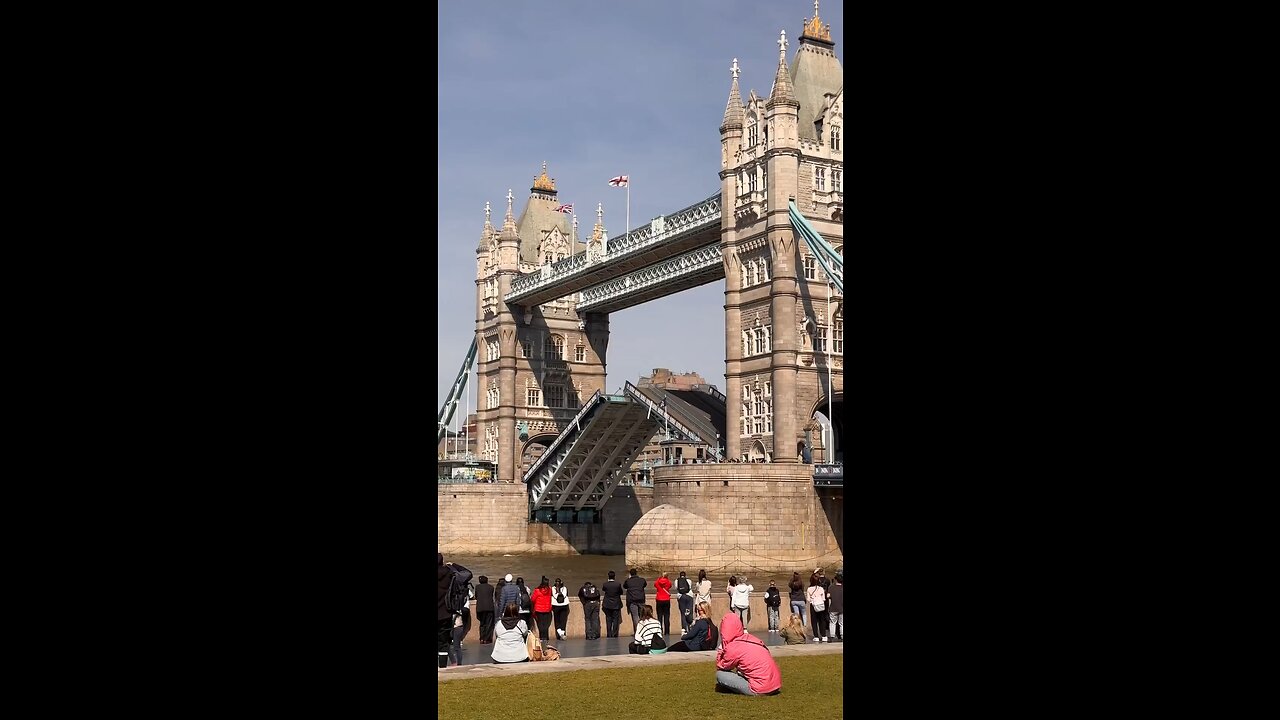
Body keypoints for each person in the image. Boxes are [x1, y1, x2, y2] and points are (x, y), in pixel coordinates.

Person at [714, 612, 782, 695]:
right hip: (775, 685)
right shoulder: (751, 638)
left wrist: (721, 650)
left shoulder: (733, 647)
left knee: (720, 675)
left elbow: (722, 666)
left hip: (760, 689)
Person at [437, 553, 454, 669]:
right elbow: (467, 574)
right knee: (443, 644)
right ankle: (442, 668)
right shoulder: (449, 573)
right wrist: (453, 565)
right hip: (445, 614)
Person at [623, 568, 647, 634]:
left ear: (630, 574)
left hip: (632, 601)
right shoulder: (642, 580)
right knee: (642, 616)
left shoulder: (628, 581)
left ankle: (637, 632)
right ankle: (643, 631)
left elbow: (624, 586)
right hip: (641, 600)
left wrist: (629, 578)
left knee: (635, 617)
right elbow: (645, 585)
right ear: (636, 573)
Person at [807, 572, 829, 643]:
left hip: (813, 606)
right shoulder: (821, 589)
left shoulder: (809, 589)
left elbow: (808, 599)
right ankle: (824, 636)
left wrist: (813, 599)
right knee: (822, 620)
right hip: (821, 605)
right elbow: (824, 598)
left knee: (814, 621)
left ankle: (816, 636)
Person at [474, 575, 496, 644]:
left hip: (480, 608)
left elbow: (476, 596)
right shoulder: (491, 587)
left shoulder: (477, 587)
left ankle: (482, 638)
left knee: (482, 624)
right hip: (489, 607)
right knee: (489, 624)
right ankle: (487, 639)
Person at [602, 570, 624, 638]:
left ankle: (609, 634)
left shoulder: (605, 584)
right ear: (614, 577)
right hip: (616, 604)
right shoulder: (618, 584)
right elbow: (621, 592)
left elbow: (604, 590)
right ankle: (615, 634)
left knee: (608, 619)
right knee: (615, 620)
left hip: (607, 604)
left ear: (608, 576)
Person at [531, 576, 554, 642]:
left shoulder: (537, 590)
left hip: (539, 610)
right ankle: (546, 637)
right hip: (547, 609)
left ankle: (541, 637)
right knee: (546, 624)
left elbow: (532, 599)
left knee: (540, 624)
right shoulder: (549, 589)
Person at [653, 571, 673, 636]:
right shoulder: (668, 582)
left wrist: (659, 579)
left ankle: (659, 630)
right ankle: (667, 631)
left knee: (659, 616)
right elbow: (670, 586)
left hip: (659, 599)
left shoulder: (658, 582)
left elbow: (655, 584)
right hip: (666, 599)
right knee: (667, 616)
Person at [827, 572, 844, 642]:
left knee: (832, 622)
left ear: (836, 579)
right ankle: (842, 636)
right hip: (842, 608)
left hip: (833, 607)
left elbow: (828, 596)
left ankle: (832, 636)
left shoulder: (831, 587)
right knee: (842, 623)